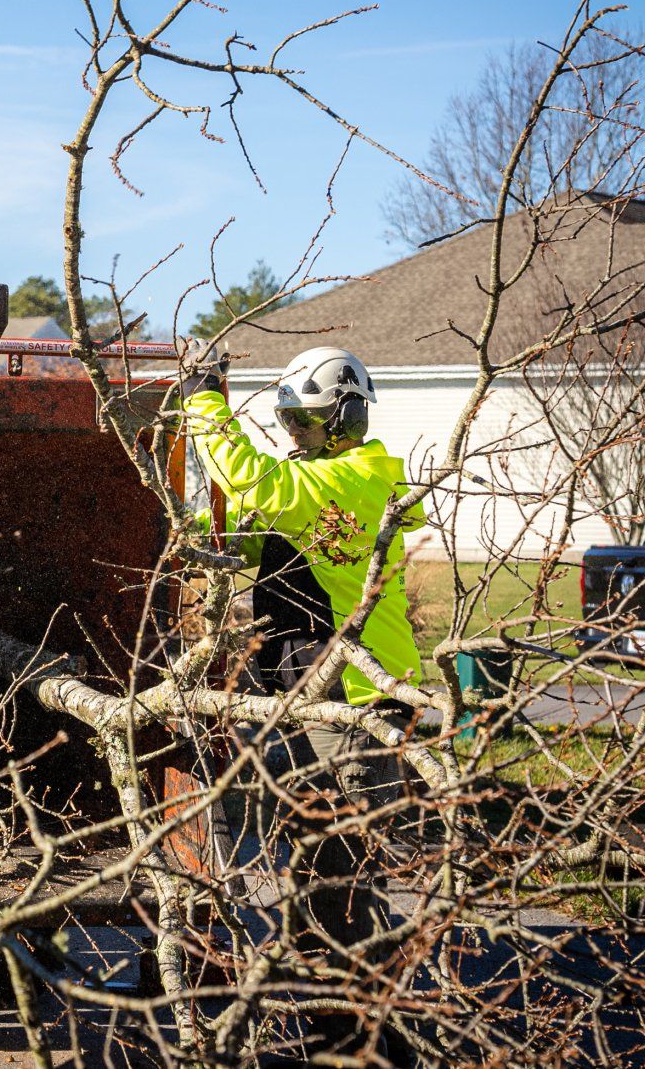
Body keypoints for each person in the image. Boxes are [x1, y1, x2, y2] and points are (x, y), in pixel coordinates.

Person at [180, 345, 424, 1063]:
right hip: (304, 694)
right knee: (316, 870)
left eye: (307, 424)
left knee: (344, 877)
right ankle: (332, 1016)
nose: (294, 435)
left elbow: (257, 485)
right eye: (288, 420)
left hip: (353, 702)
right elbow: (252, 524)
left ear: (345, 420)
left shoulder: (355, 476)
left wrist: (203, 402)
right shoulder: (321, 477)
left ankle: (375, 1037)